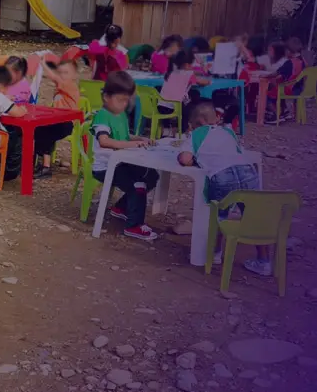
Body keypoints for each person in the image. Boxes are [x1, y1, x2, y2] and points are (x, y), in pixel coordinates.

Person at [177, 101, 270, 276]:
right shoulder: (228, 131)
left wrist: (191, 156)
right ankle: (263, 261)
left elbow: (185, 159)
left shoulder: (197, 134)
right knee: (254, 215)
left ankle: (216, 252)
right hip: (248, 173)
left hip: (222, 176)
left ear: (199, 122)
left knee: (219, 214)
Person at [91, 71, 159, 241]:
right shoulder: (102, 116)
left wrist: (141, 139)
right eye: (120, 100)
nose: (124, 104)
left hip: (123, 161)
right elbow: (104, 141)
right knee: (138, 184)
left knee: (151, 175)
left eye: (126, 100)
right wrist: (131, 144)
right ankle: (134, 225)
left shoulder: (120, 115)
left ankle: (121, 208)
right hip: (106, 166)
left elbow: (125, 136)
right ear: (106, 97)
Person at [6, 56, 73, 177]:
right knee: (40, 129)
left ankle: (43, 166)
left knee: (42, 131)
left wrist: (43, 64)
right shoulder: (60, 86)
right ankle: (40, 165)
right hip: (57, 120)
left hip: (65, 122)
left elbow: (52, 77)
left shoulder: (67, 85)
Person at [157, 50, 210, 132]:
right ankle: (183, 129)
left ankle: (167, 129)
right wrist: (208, 81)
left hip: (161, 106)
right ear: (186, 65)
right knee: (189, 106)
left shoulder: (170, 72)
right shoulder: (188, 74)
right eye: (191, 64)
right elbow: (202, 82)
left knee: (184, 97)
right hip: (175, 107)